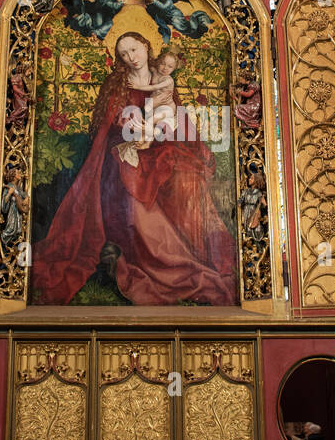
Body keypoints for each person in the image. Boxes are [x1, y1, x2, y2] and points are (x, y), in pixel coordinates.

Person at [32, 31, 236, 306]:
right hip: (125, 150)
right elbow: (110, 123)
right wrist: (132, 130)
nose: (131, 57)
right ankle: (163, 260)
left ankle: (198, 254)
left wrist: (158, 130)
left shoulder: (163, 80)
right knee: (131, 184)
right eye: (124, 54)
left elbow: (176, 116)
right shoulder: (118, 83)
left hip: (162, 147)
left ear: (146, 46)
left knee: (187, 180)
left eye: (134, 49)